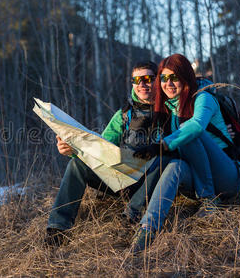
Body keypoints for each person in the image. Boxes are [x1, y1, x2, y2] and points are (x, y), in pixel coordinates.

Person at [45, 61, 191, 246]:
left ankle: (131, 217)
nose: (142, 84)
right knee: (76, 165)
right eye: (136, 80)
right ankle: (58, 229)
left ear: (158, 81)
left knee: (165, 157)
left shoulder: (172, 111)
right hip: (121, 180)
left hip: (153, 184)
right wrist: (72, 151)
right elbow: (100, 148)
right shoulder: (123, 115)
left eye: (148, 79)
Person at [130, 53, 240, 252]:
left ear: (186, 77)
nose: (169, 83)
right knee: (175, 166)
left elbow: (197, 126)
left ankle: (210, 202)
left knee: (191, 133)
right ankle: (147, 229)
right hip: (197, 174)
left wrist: (163, 145)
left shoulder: (203, 97)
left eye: (175, 77)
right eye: (164, 78)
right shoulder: (167, 108)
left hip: (226, 175)